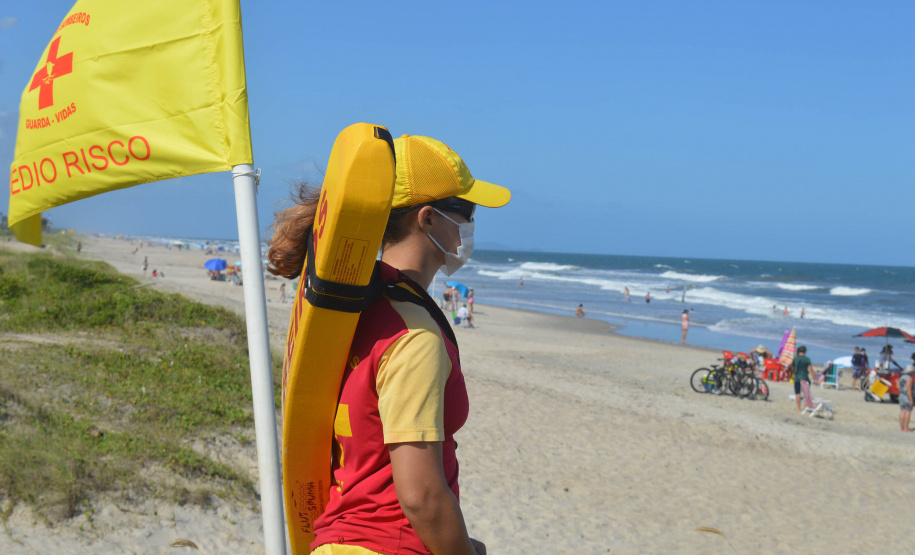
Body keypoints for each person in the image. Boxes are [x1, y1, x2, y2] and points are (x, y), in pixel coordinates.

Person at [267, 134, 507, 555]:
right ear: (427, 219)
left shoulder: (354, 309)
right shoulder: (414, 336)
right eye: (466, 212)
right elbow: (421, 498)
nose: (471, 226)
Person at [792, 346, 815, 413]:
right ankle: (805, 407)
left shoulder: (795, 359)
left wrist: (793, 374)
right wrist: (815, 378)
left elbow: (793, 368)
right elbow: (810, 369)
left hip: (797, 378)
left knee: (798, 394)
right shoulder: (807, 359)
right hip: (805, 378)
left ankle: (799, 409)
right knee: (806, 393)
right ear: (805, 352)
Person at [899, 365, 914, 432]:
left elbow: (897, 386)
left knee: (902, 411)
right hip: (906, 396)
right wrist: (911, 399)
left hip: (901, 395)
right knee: (908, 411)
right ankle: (906, 428)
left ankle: (901, 427)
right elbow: (908, 389)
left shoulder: (901, 378)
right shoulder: (909, 379)